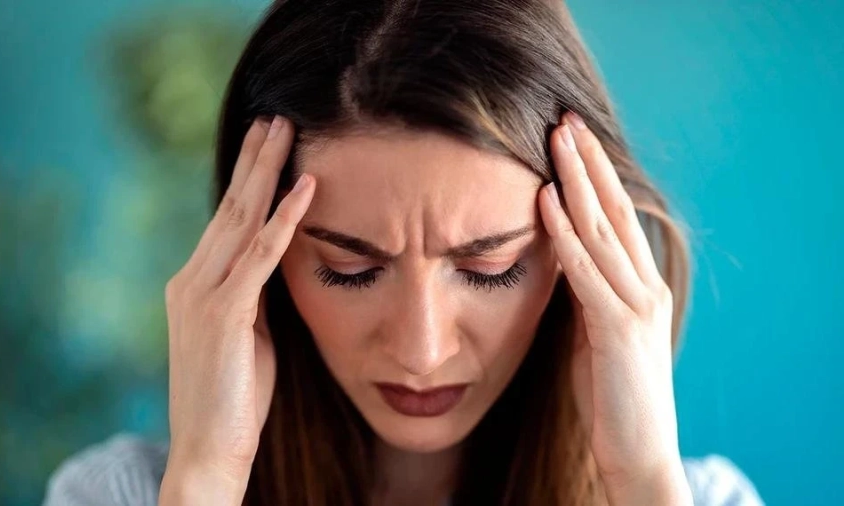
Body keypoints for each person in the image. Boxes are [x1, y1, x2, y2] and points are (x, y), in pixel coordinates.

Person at [43, 0, 765, 505]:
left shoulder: (702, 499)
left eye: (490, 268)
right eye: (350, 270)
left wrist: (641, 483)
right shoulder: (120, 497)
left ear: (587, 256)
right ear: (254, 260)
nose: (422, 352)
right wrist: (206, 478)